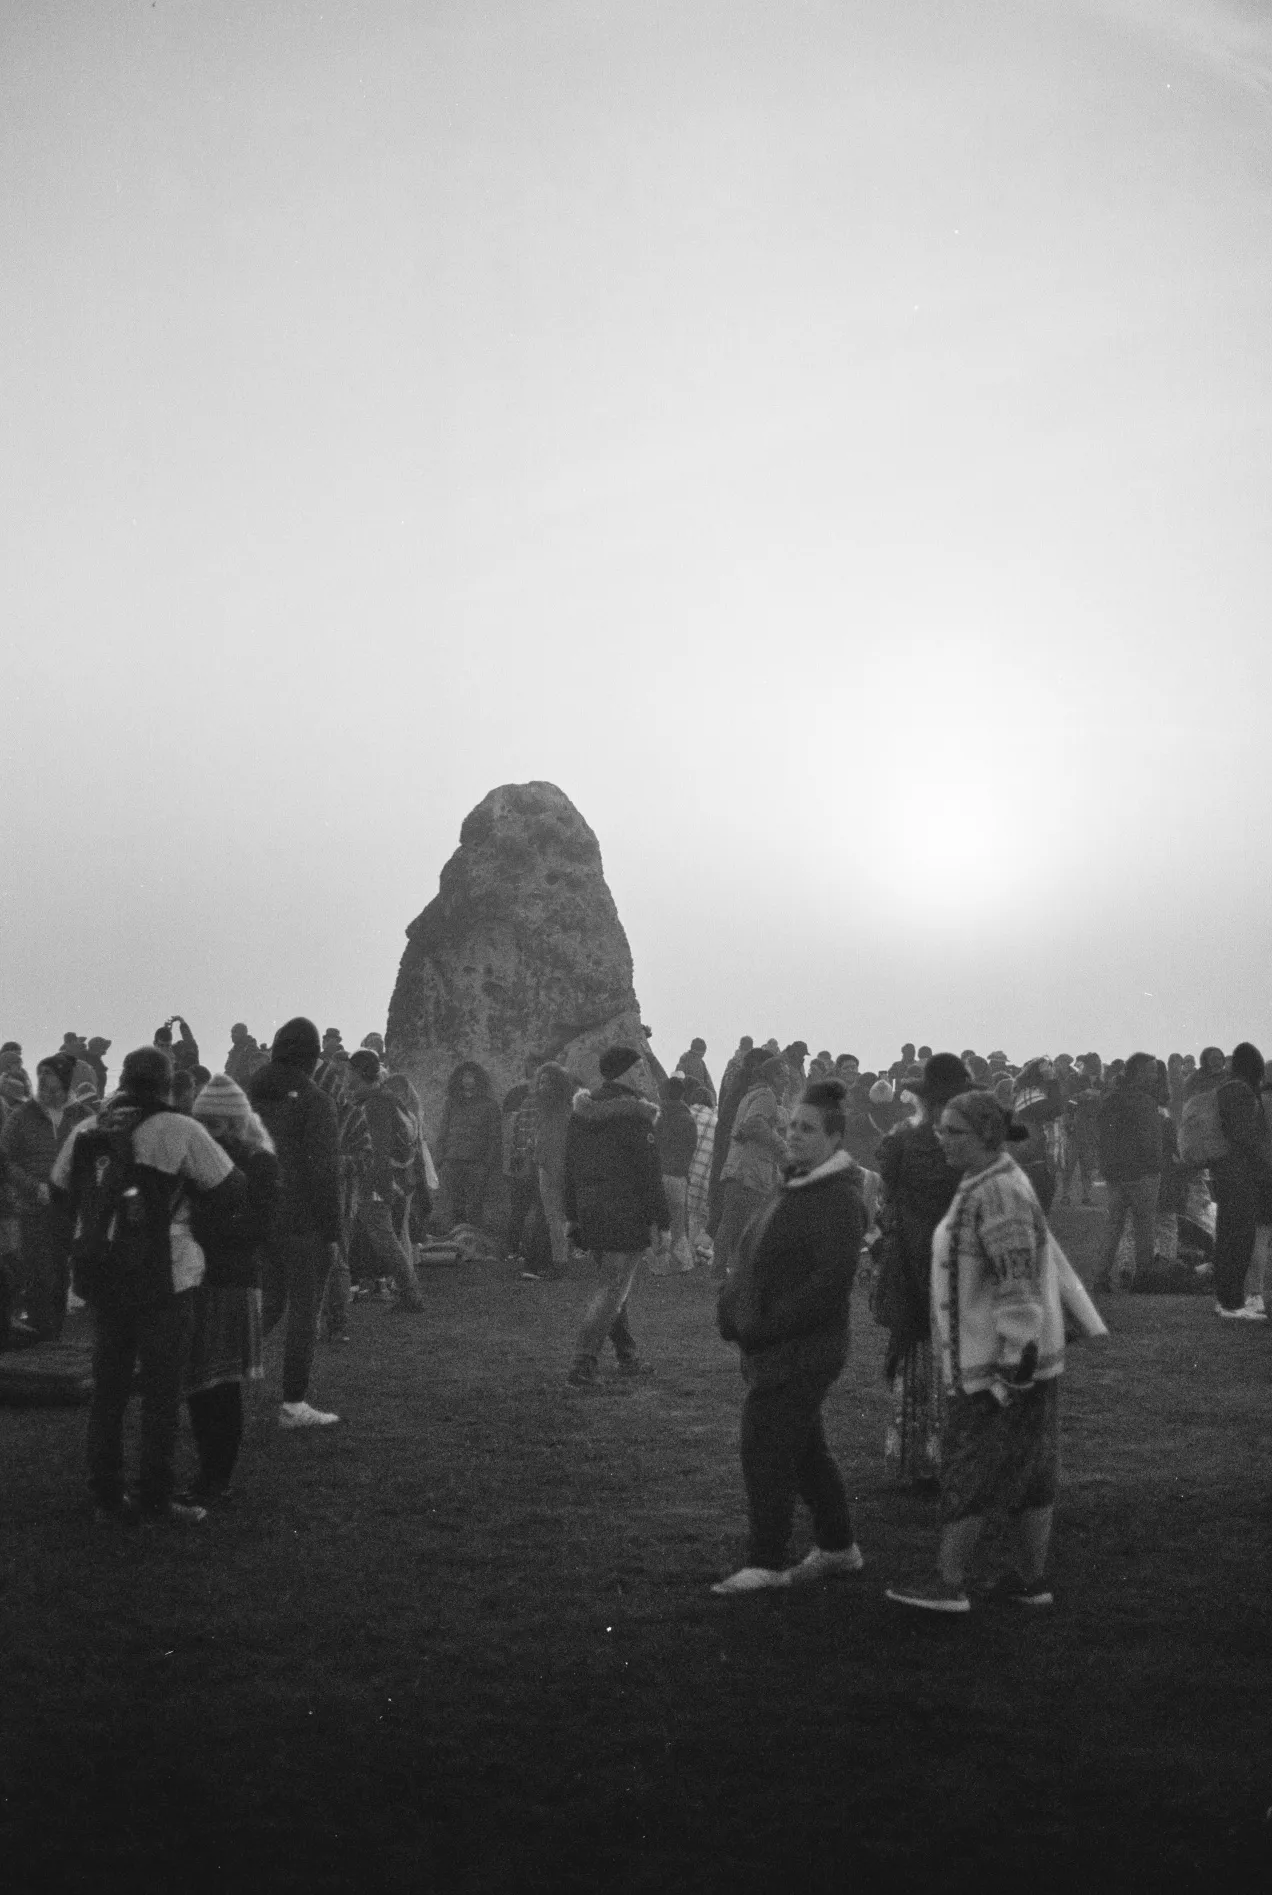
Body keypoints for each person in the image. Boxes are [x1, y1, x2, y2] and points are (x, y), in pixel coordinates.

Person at [886, 1091, 1065, 1613]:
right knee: (1030, 1470)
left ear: (987, 1135)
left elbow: (1017, 1281)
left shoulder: (997, 1192)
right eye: (941, 1129)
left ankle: (948, 1583)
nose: (942, 1140)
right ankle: (1031, 1582)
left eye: (954, 1132)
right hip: (1025, 1359)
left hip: (1002, 1365)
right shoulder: (993, 1182)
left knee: (971, 1467)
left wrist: (1013, 1366)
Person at [52, 1045, 246, 1524]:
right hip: (167, 1276)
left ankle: (105, 1496)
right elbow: (230, 1186)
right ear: (167, 1082)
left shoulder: (87, 1128)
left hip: (103, 1275)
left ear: (122, 1078)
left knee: (109, 1392)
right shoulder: (179, 1128)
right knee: (162, 1394)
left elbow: (59, 1189)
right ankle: (154, 1497)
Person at [713, 1079, 866, 1594]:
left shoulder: (839, 1198)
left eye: (807, 1129)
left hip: (806, 1346)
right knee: (803, 1448)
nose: (794, 1136)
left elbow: (828, 1284)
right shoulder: (796, 1183)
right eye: (791, 1126)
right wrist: (732, 1306)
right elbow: (754, 1253)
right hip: (781, 1341)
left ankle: (768, 1559)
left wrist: (764, 1326)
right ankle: (838, 1546)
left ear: (834, 1138)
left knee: (765, 1444)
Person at [874, 1054, 971, 1488]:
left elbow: (889, 1200)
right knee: (960, 1361)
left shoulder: (900, 1144)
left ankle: (915, 1457)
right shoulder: (970, 1146)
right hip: (959, 1258)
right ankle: (952, 1454)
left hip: (912, 1257)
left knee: (916, 1356)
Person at [184, 1075, 280, 1500]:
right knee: (202, 1383)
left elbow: (260, 1225)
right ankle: (210, 1472)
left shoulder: (259, 1162)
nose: (208, 1131)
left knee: (221, 1385)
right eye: (202, 1122)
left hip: (231, 1279)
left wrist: (201, 1230)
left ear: (236, 1122)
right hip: (202, 1278)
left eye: (216, 1123)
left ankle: (216, 1476)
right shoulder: (206, 1158)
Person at [248, 1017, 344, 1427]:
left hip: (261, 1215)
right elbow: (324, 1170)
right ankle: (293, 1403)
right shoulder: (314, 1100)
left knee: (268, 1304)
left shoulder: (252, 1098)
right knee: (305, 1310)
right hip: (304, 1218)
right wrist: (333, 1230)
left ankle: (205, 1367)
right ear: (312, 1057)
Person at [562, 1045, 670, 1387]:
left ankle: (627, 1355)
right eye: (640, 1068)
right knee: (613, 1288)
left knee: (613, 1286)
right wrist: (663, 1221)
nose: (644, 1074)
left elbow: (570, 1166)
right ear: (627, 1071)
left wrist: (573, 1214)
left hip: (591, 1208)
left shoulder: (582, 1112)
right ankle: (582, 1363)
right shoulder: (636, 1115)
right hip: (626, 1210)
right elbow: (649, 1173)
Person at [0, 1053, 95, 1340]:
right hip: (33, 1205)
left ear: (67, 1087)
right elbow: (5, 1160)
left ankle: (55, 1331)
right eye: (44, 1088)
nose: (49, 1095)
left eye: (56, 1089)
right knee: (41, 1272)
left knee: (62, 1271)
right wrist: (32, 1187)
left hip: (69, 1206)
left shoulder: (82, 1117)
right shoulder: (21, 1116)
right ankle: (44, 1332)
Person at [342, 1051, 426, 1312]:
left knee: (385, 1240)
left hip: (376, 1182)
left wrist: (377, 1186)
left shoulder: (375, 1104)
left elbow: (379, 1149)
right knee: (383, 1238)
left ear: (357, 1072)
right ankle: (404, 1292)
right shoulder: (381, 1099)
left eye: (348, 1071)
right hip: (383, 1179)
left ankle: (410, 1295)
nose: (345, 1076)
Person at [1211, 1043, 1272, 1319]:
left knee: (1229, 1236)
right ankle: (1232, 1302)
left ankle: (1227, 1299)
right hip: (1241, 1174)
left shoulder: (1227, 1087)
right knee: (1238, 1239)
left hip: (1228, 1172)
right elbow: (1246, 1135)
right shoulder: (1240, 1091)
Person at [714, 1054, 789, 1279]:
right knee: (752, 1225)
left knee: (730, 1223)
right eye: (783, 1076)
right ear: (772, 1076)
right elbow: (754, 1123)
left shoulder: (751, 1094)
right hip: (752, 1170)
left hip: (738, 1168)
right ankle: (742, 1273)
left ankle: (718, 1271)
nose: (787, 1081)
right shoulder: (766, 1096)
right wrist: (781, 1146)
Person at [1094, 1053, 1163, 1292]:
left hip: (1115, 1173)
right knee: (1145, 1228)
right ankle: (1143, 1279)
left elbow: (1102, 1135)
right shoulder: (1144, 1101)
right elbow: (1150, 1140)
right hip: (1142, 1173)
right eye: (1152, 1071)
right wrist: (1157, 1164)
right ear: (1139, 1073)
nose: (1155, 1076)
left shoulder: (1110, 1097)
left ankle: (1101, 1279)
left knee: (1113, 1227)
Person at [434, 1062, 501, 1229]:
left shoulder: (489, 1105)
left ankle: (474, 1245)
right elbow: (443, 1131)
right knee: (454, 1207)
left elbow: (494, 1137)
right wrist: (440, 1159)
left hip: (476, 1163)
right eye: (464, 1076)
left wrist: (487, 1164)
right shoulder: (451, 1103)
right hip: (452, 1160)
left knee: (474, 1207)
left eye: (471, 1076)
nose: (468, 1080)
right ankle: (455, 1243)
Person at [532, 1062, 575, 1279]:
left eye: (546, 1082)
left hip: (552, 1167)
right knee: (557, 1217)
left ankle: (560, 1262)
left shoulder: (555, 1112)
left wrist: (543, 1162)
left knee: (554, 1217)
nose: (541, 1086)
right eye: (540, 1082)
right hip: (555, 1166)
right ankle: (561, 1259)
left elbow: (551, 1142)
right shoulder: (562, 1109)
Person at [652, 1075, 698, 1274]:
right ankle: (684, 1263)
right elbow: (691, 1148)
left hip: (657, 1174)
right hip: (679, 1176)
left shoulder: (656, 1117)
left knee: (657, 1222)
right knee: (679, 1223)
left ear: (663, 1093)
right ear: (683, 1094)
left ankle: (660, 1266)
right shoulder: (688, 1119)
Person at [1011, 1058, 1063, 1212]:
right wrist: (1052, 1081)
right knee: (1040, 1197)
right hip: (1033, 1156)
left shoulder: (1035, 1093)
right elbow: (1056, 1110)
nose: (1052, 1072)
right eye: (1048, 1070)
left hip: (1036, 1153)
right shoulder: (1030, 1094)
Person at [676, 1039, 716, 1107]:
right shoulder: (687, 1060)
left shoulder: (684, 1060)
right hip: (696, 1100)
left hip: (690, 1101)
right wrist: (713, 1100)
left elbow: (676, 1082)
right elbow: (709, 1084)